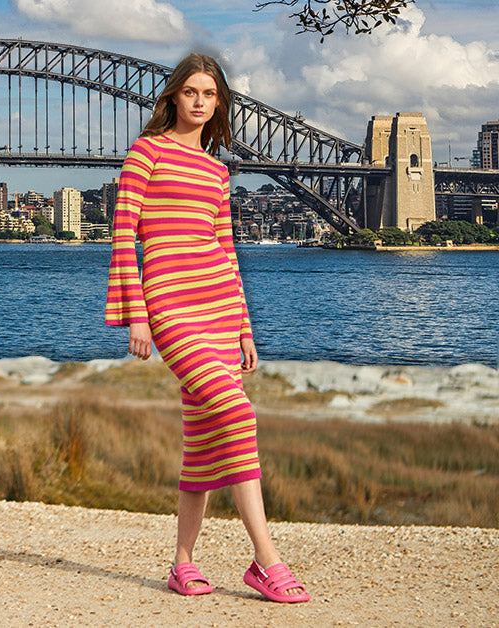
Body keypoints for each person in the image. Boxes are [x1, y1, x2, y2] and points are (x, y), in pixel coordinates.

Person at [104, 53, 309, 604]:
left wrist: (244, 328)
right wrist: (136, 314)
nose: (199, 101)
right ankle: (266, 561)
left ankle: (183, 563)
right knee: (239, 413)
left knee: (201, 444)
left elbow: (226, 252)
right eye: (191, 91)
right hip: (170, 307)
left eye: (209, 94)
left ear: (219, 103)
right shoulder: (147, 152)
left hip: (218, 308)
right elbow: (125, 234)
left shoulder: (217, 171)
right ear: (173, 96)